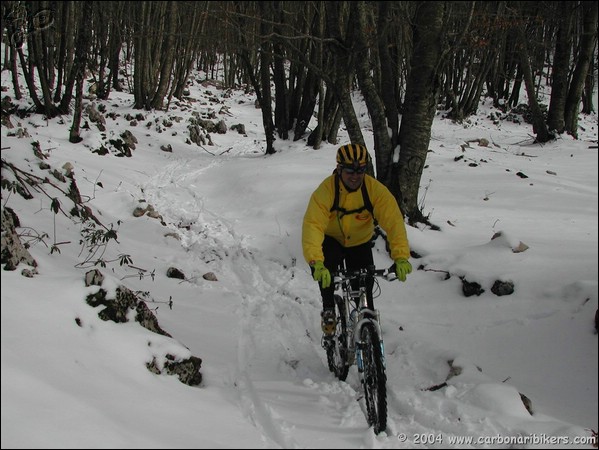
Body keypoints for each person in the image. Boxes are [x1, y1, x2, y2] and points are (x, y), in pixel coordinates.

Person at [302, 143, 412, 337]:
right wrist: (315, 262)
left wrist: (401, 256)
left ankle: (367, 326)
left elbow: (394, 222)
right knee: (327, 271)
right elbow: (313, 225)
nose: (355, 176)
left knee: (364, 290)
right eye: (350, 171)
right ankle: (328, 309)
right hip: (332, 239)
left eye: (360, 170)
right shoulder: (326, 191)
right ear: (339, 169)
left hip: (360, 241)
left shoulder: (374, 190)